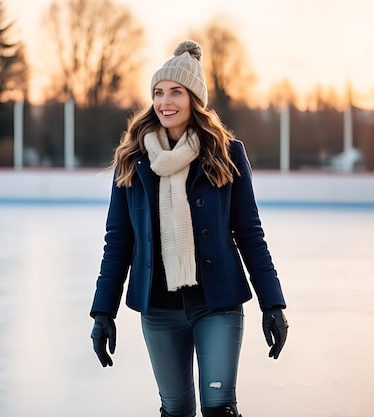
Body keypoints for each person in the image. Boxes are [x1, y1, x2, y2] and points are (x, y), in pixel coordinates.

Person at [90, 40, 288, 417]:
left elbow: (250, 234)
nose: (165, 102)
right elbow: (118, 241)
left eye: (175, 92)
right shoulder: (133, 160)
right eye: (158, 92)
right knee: (176, 410)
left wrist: (272, 303)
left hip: (216, 303)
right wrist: (104, 312)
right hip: (159, 309)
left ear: (194, 98)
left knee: (218, 408)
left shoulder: (226, 154)